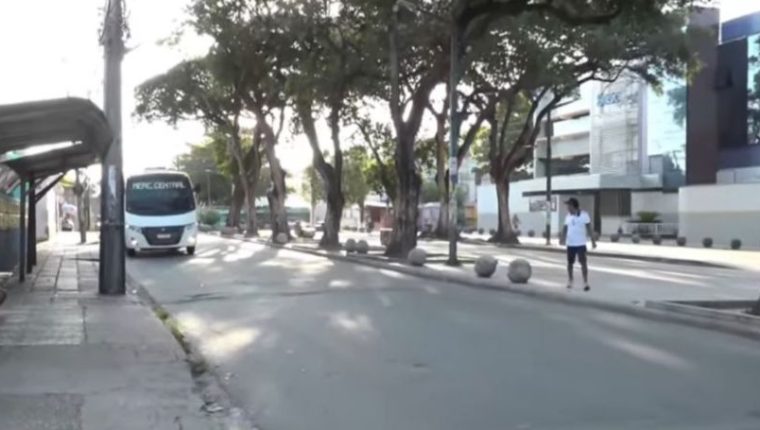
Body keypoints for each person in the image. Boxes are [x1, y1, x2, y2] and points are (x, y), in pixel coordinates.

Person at [561, 197, 596, 291]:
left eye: (568, 205)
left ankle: (585, 282)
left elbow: (589, 228)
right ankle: (570, 280)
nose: (567, 207)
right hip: (570, 244)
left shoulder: (584, 215)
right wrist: (562, 238)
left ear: (573, 206)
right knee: (570, 263)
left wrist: (593, 241)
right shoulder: (568, 216)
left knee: (583, 263)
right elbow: (565, 228)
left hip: (581, 244)